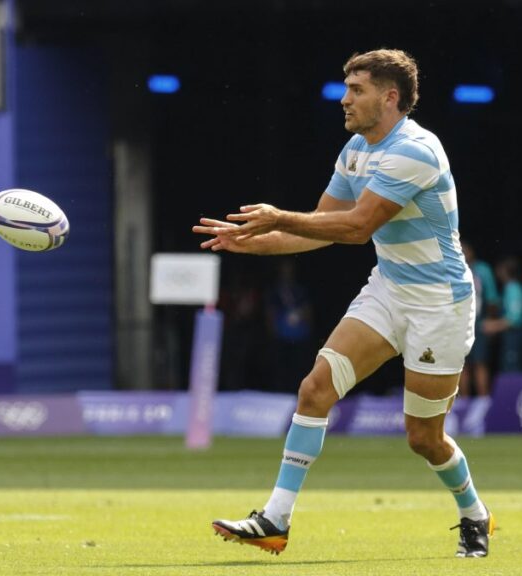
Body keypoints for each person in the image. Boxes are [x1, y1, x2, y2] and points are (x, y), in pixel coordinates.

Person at [193, 49, 493, 558]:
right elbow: (318, 229)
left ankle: (473, 513)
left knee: (423, 438)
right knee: (314, 389)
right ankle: (275, 518)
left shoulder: (417, 150)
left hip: (439, 303)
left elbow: (356, 227)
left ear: (390, 97)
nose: (344, 98)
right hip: (389, 288)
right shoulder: (355, 149)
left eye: (357, 89)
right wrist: (252, 242)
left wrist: (277, 217)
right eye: (346, 87)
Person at [267, 259, 314, 391]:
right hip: (281, 337)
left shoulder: (300, 291)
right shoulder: (275, 291)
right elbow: (269, 314)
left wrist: (307, 327)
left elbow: (309, 312)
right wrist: (272, 335)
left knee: (298, 369)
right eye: (284, 269)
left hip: (300, 337)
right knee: (281, 371)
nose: (287, 272)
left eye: (289, 269)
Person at [462, 241, 498, 397]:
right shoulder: (451, 269)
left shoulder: (483, 270)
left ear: (471, 251)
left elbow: (492, 299)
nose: (463, 253)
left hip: (477, 321)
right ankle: (463, 401)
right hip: (457, 323)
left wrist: (490, 320)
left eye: (465, 250)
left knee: (479, 362)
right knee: (460, 364)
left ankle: (483, 400)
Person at [484, 257, 522, 372]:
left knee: (512, 368)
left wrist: (493, 326)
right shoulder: (508, 288)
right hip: (509, 335)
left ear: (504, 271)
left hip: (514, 335)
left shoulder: (513, 288)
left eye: (499, 269)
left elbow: (514, 319)